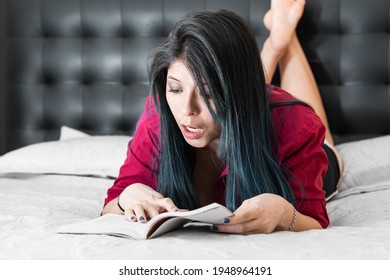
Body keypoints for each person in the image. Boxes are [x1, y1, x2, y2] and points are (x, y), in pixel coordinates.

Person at [102, 0, 342, 234]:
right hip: (243, 103)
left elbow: (314, 221)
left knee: (292, 110)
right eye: (175, 89)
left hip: (300, 141)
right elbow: (110, 207)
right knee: (244, 99)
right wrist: (127, 197)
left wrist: (283, 214)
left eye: (207, 94)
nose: (187, 110)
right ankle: (274, 46)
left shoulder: (297, 124)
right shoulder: (159, 115)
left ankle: (284, 43)